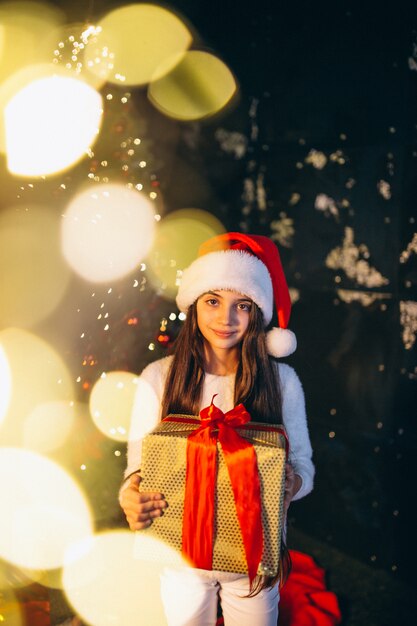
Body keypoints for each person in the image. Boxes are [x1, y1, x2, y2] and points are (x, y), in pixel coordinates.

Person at [119, 232, 315, 626]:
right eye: (212, 301)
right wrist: (131, 496)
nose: (226, 319)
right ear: (194, 305)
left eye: (242, 305)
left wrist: (289, 483)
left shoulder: (283, 382)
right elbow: (138, 469)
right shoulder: (158, 378)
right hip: (180, 557)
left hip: (253, 563)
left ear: (258, 313)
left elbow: (305, 468)